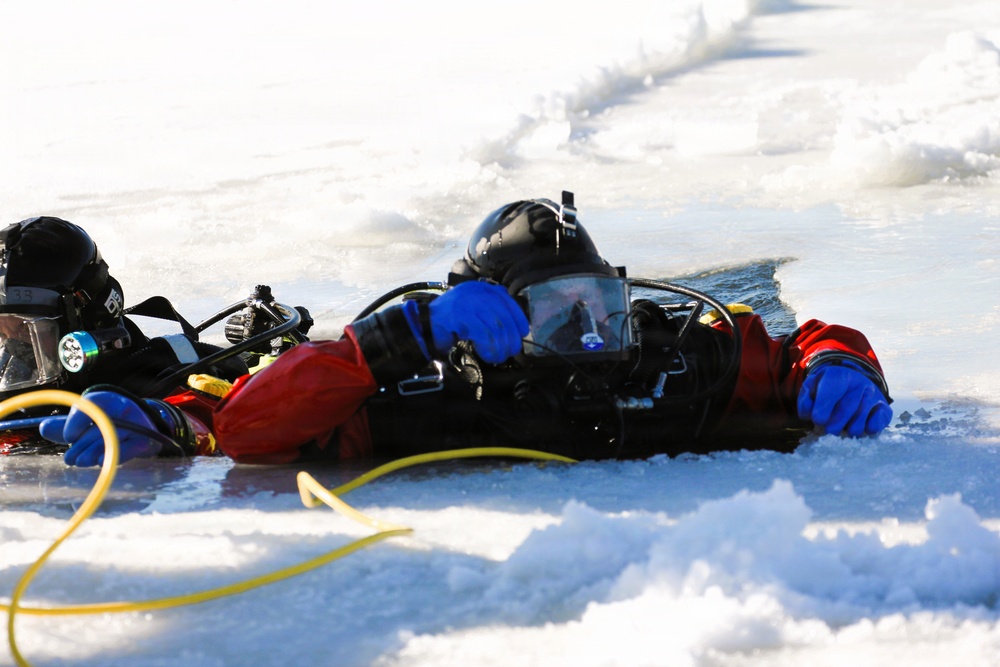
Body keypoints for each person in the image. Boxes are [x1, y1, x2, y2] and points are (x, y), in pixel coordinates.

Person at [40, 193, 893, 466]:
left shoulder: (669, 358)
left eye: (594, 304)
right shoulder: (422, 389)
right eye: (553, 317)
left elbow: (802, 343)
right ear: (485, 324)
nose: (590, 335)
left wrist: (841, 366)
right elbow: (249, 429)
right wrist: (403, 336)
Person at [0, 216, 310, 462]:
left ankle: (271, 348)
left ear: (81, 324)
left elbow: (219, 418)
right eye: (2, 328)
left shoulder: (154, 376)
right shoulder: (12, 367)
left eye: (23, 326)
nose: (11, 338)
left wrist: (164, 423)